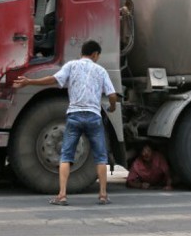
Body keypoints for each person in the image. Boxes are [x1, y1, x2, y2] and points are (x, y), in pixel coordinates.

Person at [13, 40, 117, 205]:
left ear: (82, 52)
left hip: (74, 116)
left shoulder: (71, 66)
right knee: (101, 157)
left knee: (66, 156)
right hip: (93, 116)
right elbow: (112, 95)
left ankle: (62, 195)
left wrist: (29, 82)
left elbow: (52, 80)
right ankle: (103, 195)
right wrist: (112, 107)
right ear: (95, 54)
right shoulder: (101, 70)